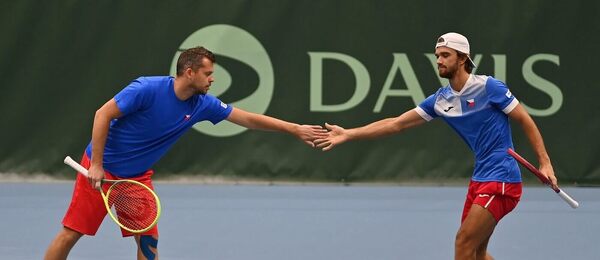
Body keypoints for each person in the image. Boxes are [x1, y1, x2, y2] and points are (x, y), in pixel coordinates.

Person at [44, 46, 328, 260]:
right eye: (208, 74)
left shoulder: (202, 104)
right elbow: (102, 114)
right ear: (189, 72)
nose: (211, 80)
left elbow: (248, 119)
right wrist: (96, 164)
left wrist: (294, 129)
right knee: (73, 232)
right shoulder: (147, 89)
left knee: (148, 238)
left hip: (136, 179)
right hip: (102, 168)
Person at [314, 32, 558, 260]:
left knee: (463, 243)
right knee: (477, 253)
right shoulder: (441, 100)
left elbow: (525, 119)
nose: (439, 60)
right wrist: (348, 134)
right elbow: (396, 124)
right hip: (481, 177)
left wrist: (544, 162)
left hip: (502, 179)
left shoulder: (489, 87)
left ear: (462, 59)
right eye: (437, 56)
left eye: (445, 55)